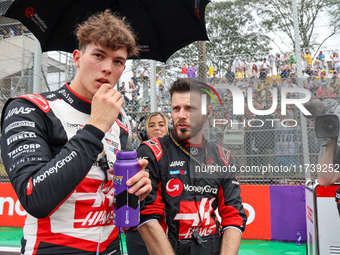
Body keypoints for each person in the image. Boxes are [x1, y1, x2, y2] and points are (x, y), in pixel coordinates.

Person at [0, 10, 152, 255]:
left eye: (118, 61)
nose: (107, 68)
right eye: (99, 55)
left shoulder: (121, 124)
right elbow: (35, 198)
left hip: (111, 248)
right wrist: (95, 128)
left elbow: (116, 200)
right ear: (77, 57)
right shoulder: (31, 109)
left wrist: (137, 189)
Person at [137, 78, 247, 255]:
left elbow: (234, 215)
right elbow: (147, 215)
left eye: (190, 108)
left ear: (207, 112)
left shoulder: (222, 157)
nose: (181, 115)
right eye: (176, 108)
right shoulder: (152, 151)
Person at [126, 112, 170, 255]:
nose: (157, 128)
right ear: (144, 132)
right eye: (152, 125)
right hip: (147, 226)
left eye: (161, 124)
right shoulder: (145, 149)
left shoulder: (173, 153)